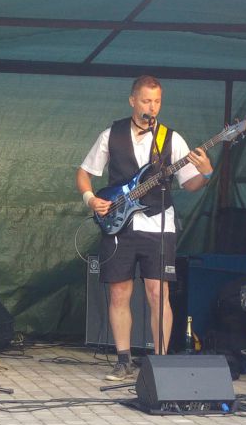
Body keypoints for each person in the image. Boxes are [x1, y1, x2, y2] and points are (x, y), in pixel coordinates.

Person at [76, 75, 214, 380]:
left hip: (159, 225)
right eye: (146, 101)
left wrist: (205, 174)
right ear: (132, 101)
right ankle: (123, 360)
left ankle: (159, 363)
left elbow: (189, 184)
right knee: (119, 292)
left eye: (157, 101)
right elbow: (84, 173)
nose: (152, 107)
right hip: (119, 224)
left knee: (158, 293)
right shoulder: (111, 134)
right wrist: (91, 199)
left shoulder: (171, 138)